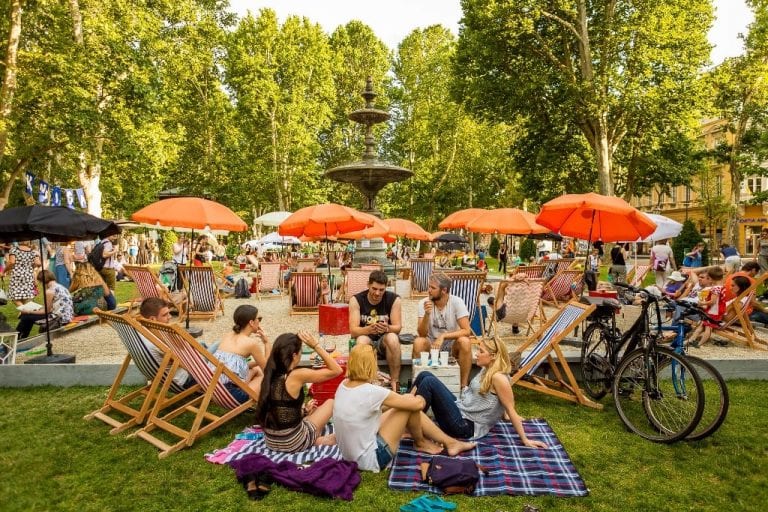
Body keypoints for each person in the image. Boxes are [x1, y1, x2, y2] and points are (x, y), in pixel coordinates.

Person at [333, 344, 476, 472]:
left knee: (405, 402)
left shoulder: (343, 385)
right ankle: (435, 443)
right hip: (371, 459)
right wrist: (425, 391)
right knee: (409, 407)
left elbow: (379, 406)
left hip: (350, 456)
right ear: (370, 364)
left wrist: (406, 398)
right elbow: (418, 405)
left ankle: (430, 441)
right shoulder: (371, 391)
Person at [412, 336, 548, 448]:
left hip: (464, 427)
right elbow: (501, 404)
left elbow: (510, 407)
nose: (476, 354)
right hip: (461, 410)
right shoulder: (487, 369)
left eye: (481, 351)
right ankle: (407, 415)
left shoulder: (498, 378)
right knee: (425, 374)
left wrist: (525, 440)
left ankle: (410, 422)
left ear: (493, 356)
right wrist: (503, 414)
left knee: (429, 383)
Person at [256, 331, 341, 452]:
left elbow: (280, 410)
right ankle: (320, 441)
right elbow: (336, 370)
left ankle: (310, 434)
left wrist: (304, 411)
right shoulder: (296, 375)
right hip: (293, 442)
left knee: (311, 414)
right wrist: (316, 346)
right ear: (294, 355)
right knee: (331, 403)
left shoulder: (269, 373)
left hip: (271, 441)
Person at [413, 272, 473, 391]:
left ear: (444, 290)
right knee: (419, 342)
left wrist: (444, 336)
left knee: (465, 342)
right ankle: (417, 386)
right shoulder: (424, 303)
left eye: (433, 288)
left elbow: (467, 331)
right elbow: (422, 334)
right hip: (431, 344)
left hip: (451, 345)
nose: (428, 290)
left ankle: (463, 387)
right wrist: (426, 314)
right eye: (429, 286)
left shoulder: (456, 302)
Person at [348, 270, 403, 392]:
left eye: (381, 290)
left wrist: (387, 328)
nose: (377, 293)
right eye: (374, 288)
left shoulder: (394, 299)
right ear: (368, 285)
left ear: (386, 288)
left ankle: (395, 382)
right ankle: (369, 382)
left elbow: (398, 327)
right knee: (361, 340)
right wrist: (368, 329)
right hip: (366, 339)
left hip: (385, 341)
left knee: (393, 338)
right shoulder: (356, 300)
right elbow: (353, 331)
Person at [209, 305, 271, 402]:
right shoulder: (251, 343)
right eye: (259, 318)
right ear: (251, 322)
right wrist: (266, 342)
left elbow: (233, 364)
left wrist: (257, 363)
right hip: (231, 395)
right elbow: (268, 369)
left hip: (213, 389)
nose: (259, 321)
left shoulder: (228, 336)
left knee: (256, 369)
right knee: (269, 378)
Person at [138, 297, 197, 390]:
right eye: (165, 315)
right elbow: (188, 363)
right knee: (218, 345)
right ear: (153, 319)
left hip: (163, 379)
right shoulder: (158, 341)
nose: (170, 317)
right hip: (185, 379)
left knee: (202, 345)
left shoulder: (140, 334)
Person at [15, 270, 73, 339]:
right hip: (67, 316)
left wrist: (28, 311)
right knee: (27, 317)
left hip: (58, 319)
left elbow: (46, 311)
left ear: (42, 281)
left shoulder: (49, 291)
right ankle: (21, 337)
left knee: (26, 316)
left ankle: (18, 338)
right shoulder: (61, 287)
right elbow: (52, 306)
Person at [686, 266, 725, 348]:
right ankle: (691, 340)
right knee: (701, 325)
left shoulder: (716, 289)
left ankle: (699, 344)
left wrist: (702, 303)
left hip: (713, 311)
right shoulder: (721, 287)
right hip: (714, 310)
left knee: (708, 328)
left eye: (709, 278)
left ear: (712, 278)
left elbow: (712, 302)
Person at [6, 241, 41, 306]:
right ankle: (25, 313)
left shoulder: (14, 250)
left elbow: (11, 262)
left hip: (17, 274)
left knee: (15, 296)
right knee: (27, 295)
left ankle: (24, 311)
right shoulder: (33, 251)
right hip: (29, 275)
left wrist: (4, 271)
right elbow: (38, 263)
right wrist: (30, 266)